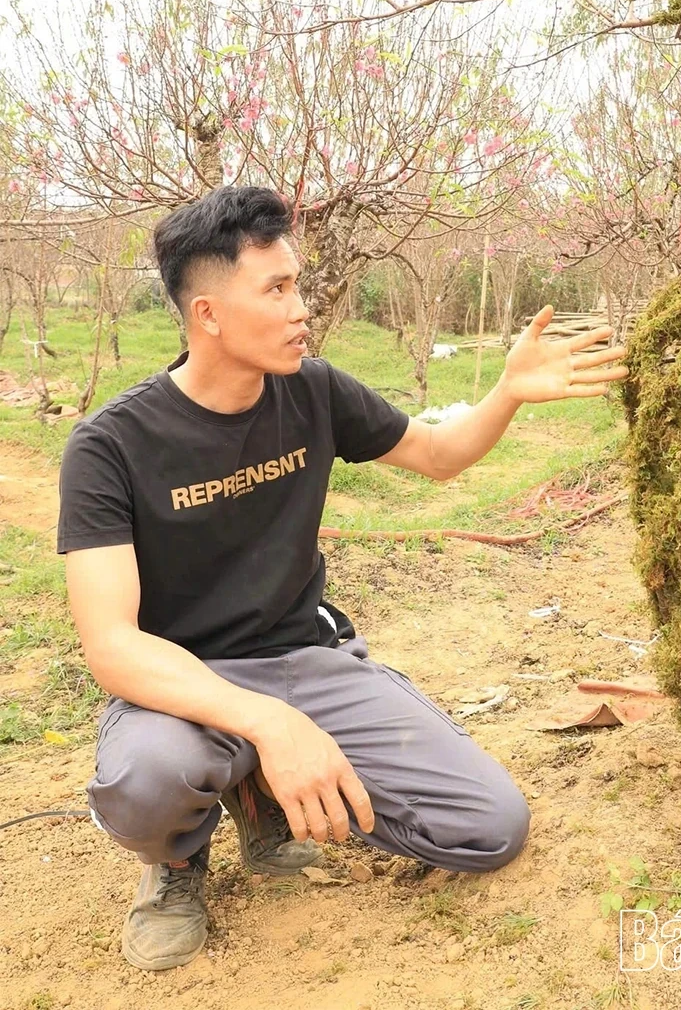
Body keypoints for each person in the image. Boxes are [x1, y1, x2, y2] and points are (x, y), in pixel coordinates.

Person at [57, 185, 628, 973]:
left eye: (298, 284)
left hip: (305, 661)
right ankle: (179, 860)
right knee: (152, 777)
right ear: (209, 316)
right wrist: (269, 723)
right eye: (278, 289)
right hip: (182, 686)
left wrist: (505, 394)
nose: (304, 308)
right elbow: (113, 645)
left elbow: (437, 456)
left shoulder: (313, 390)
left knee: (489, 826)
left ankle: (260, 795)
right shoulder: (110, 445)